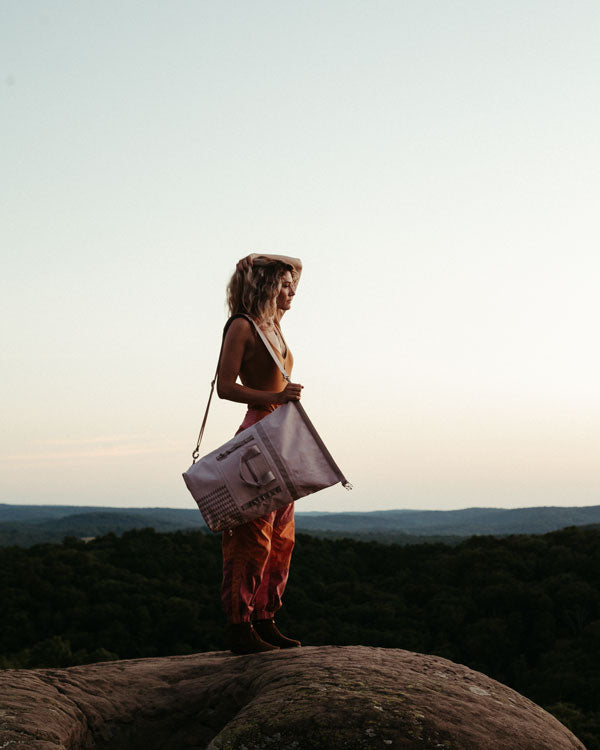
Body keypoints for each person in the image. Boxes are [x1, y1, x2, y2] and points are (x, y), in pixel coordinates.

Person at [216, 252, 304, 654]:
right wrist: (276, 396)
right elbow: (225, 387)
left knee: (282, 536)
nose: (292, 290)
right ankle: (240, 626)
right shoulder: (242, 326)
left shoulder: (275, 324)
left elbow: (299, 264)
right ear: (266, 286)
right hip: (257, 436)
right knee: (253, 536)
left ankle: (266, 618)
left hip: (282, 437)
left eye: (291, 284)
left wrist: (264, 259)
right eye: (283, 284)